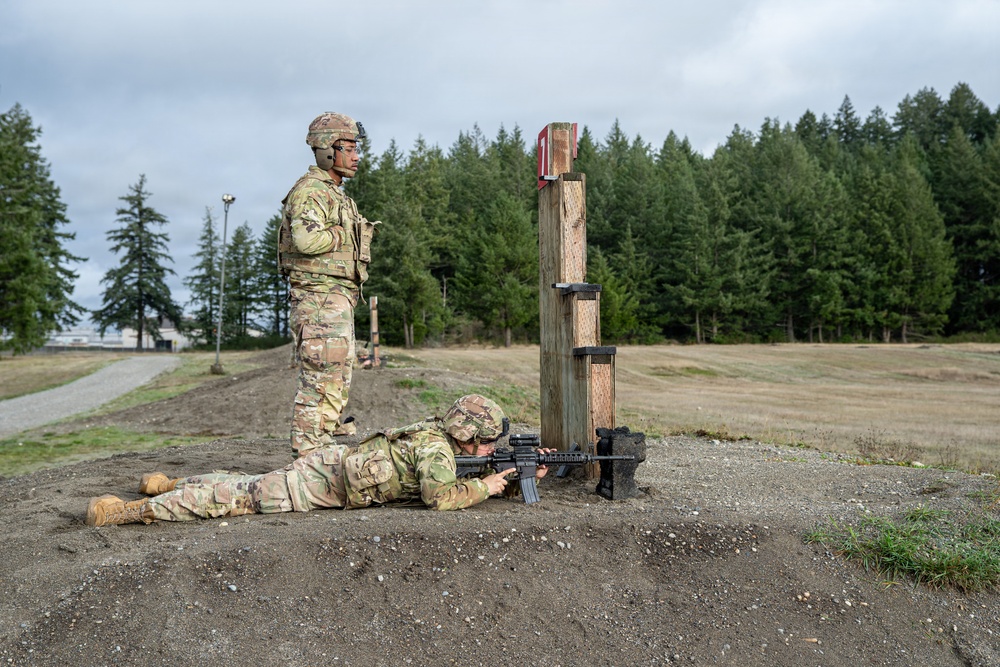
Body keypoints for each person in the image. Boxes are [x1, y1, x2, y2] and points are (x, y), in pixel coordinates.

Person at [85, 395, 553, 527]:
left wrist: (519, 475)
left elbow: (460, 476)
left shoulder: (437, 435)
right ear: (466, 434)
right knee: (237, 498)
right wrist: (488, 487)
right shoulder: (436, 452)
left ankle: (167, 484)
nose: (489, 450)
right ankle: (127, 512)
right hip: (320, 486)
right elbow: (441, 498)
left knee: (246, 482)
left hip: (330, 465)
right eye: (486, 442)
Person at [278, 112, 379, 459]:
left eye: (355, 149)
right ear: (326, 150)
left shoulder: (334, 193)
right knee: (322, 378)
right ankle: (309, 455)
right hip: (319, 298)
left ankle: (319, 443)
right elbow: (306, 240)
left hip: (333, 297)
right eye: (348, 149)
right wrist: (342, 234)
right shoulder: (312, 192)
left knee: (335, 375)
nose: (356, 156)